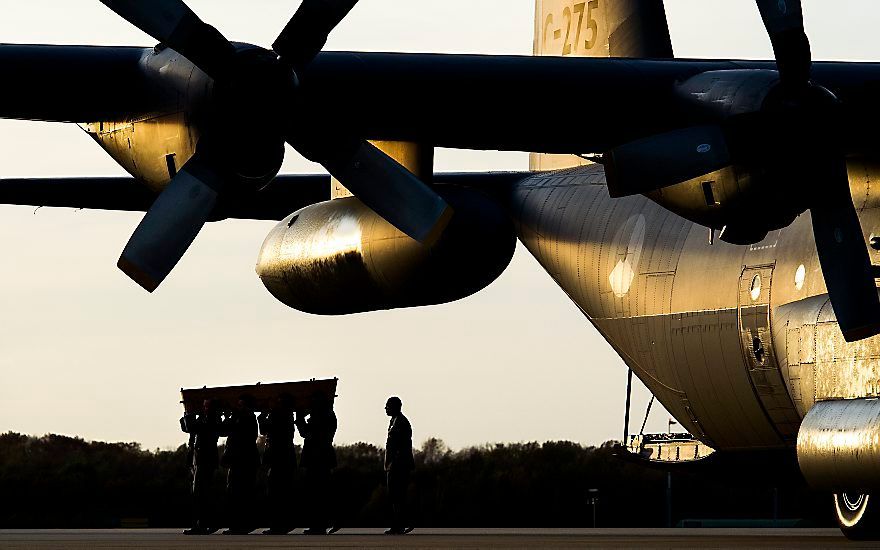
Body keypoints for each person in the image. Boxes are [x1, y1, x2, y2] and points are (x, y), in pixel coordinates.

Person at [295, 392, 337, 535]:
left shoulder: (322, 417)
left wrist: (300, 418)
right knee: (318, 493)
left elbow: (306, 433)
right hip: (320, 458)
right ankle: (319, 524)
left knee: (317, 493)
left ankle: (319, 525)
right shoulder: (327, 416)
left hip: (318, 459)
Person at [180, 399, 223, 535]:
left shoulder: (212, 419)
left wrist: (188, 413)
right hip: (199, 458)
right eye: (204, 406)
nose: (204, 408)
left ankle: (204, 524)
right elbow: (187, 428)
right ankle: (202, 524)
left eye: (207, 406)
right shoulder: (204, 419)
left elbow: (193, 427)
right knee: (199, 493)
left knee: (201, 492)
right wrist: (188, 415)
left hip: (205, 459)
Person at [220, 394, 260, 535]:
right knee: (235, 493)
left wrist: (232, 417)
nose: (239, 408)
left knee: (242, 493)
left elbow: (241, 434)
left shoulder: (248, 418)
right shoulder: (240, 418)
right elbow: (223, 432)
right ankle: (238, 525)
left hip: (244, 461)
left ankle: (241, 525)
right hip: (238, 461)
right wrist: (227, 417)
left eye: (241, 405)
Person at [258, 394, 298, 535]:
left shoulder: (279, 416)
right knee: (281, 492)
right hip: (283, 458)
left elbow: (264, 430)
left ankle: (278, 525)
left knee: (276, 492)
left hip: (279, 459)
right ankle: (281, 524)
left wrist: (262, 416)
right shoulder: (286, 415)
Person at [384, 396, 414, 535]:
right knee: (395, 495)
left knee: (397, 495)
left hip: (399, 464)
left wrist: (392, 462)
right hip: (396, 464)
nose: (386, 409)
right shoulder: (395, 421)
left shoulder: (400, 422)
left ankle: (399, 525)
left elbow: (397, 445)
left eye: (388, 406)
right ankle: (399, 524)